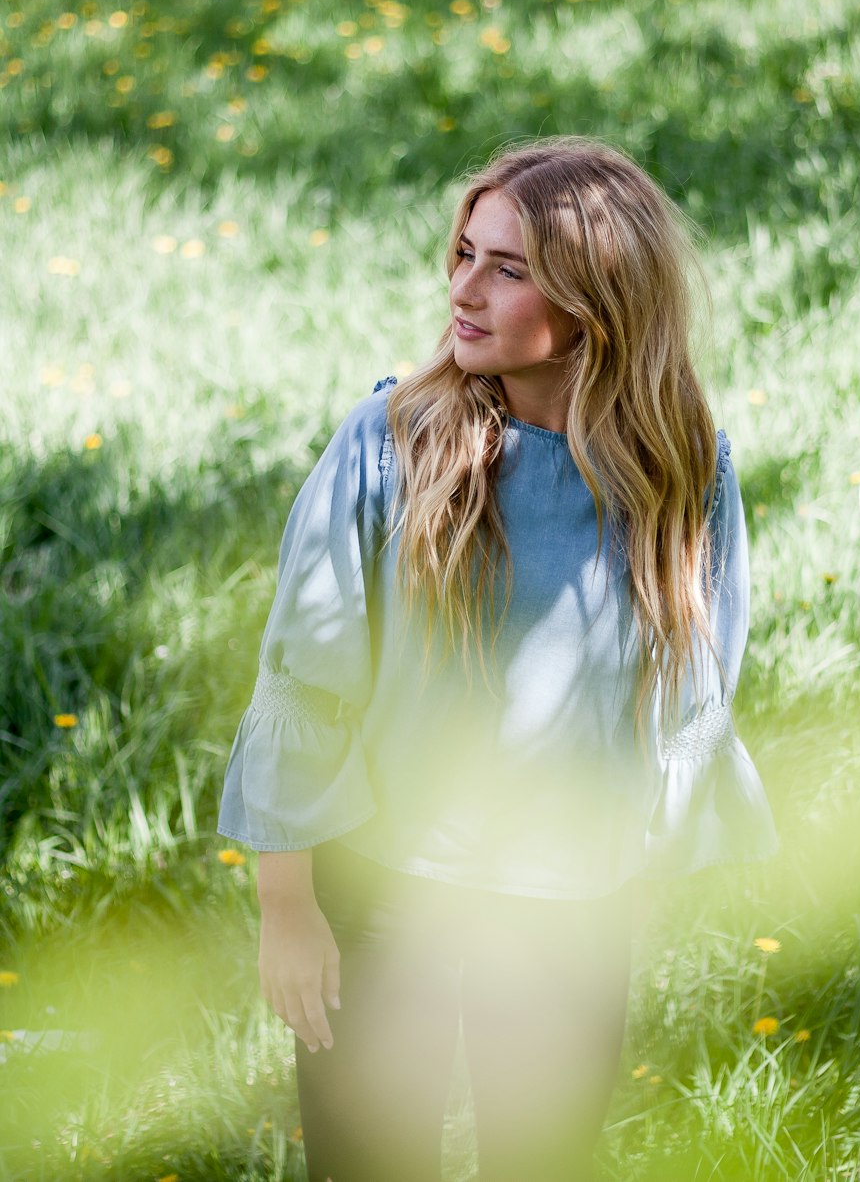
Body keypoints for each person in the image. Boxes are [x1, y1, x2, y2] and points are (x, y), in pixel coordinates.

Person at [217, 137, 779, 1182]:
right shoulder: (389, 445)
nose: (462, 290)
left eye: (506, 267)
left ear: (595, 304)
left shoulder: (678, 471)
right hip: (383, 894)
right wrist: (288, 914)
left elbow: (691, 684)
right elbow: (303, 684)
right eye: (464, 254)